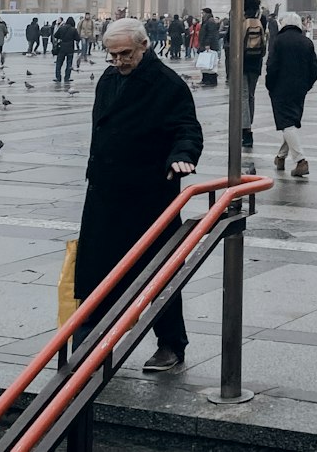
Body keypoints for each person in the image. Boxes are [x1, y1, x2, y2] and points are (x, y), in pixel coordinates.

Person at [75, 19, 202, 374]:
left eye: (125, 53)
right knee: (97, 270)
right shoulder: (109, 78)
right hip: (105, 192)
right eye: (112, 55)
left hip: (147, 196)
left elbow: (187, 128)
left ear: (145, 46)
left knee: (158, 272)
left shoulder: (166, 84)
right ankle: (92, 340)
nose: (118, 60)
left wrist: (182, 155)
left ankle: (171, 343)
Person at [265, 10, 317, 178]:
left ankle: (300, 160)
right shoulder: (307, 42)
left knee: (287, 122)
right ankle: (280, 157)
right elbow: (315, 68)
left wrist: (270, 85)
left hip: (281, 88)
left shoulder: (278, 41)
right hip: (299, 89)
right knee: (290, 122)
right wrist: (306, 85)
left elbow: (271, 66)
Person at [241, 0, 267, 150]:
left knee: (243, 96)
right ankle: (248, 124)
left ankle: (246, 131)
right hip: (255, 63)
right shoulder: (261, 19)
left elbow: (230, 41)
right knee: (251, 96)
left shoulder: (240, 20)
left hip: (242, 63)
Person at [54, 15, 80, 83]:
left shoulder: (62, 28)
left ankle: (58, 77)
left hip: (62, 47)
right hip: (70, 48)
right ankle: (67, 78)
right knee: (69, 64)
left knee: (59, 63)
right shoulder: (73, 29)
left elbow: (55, 35)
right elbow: (77, 38)